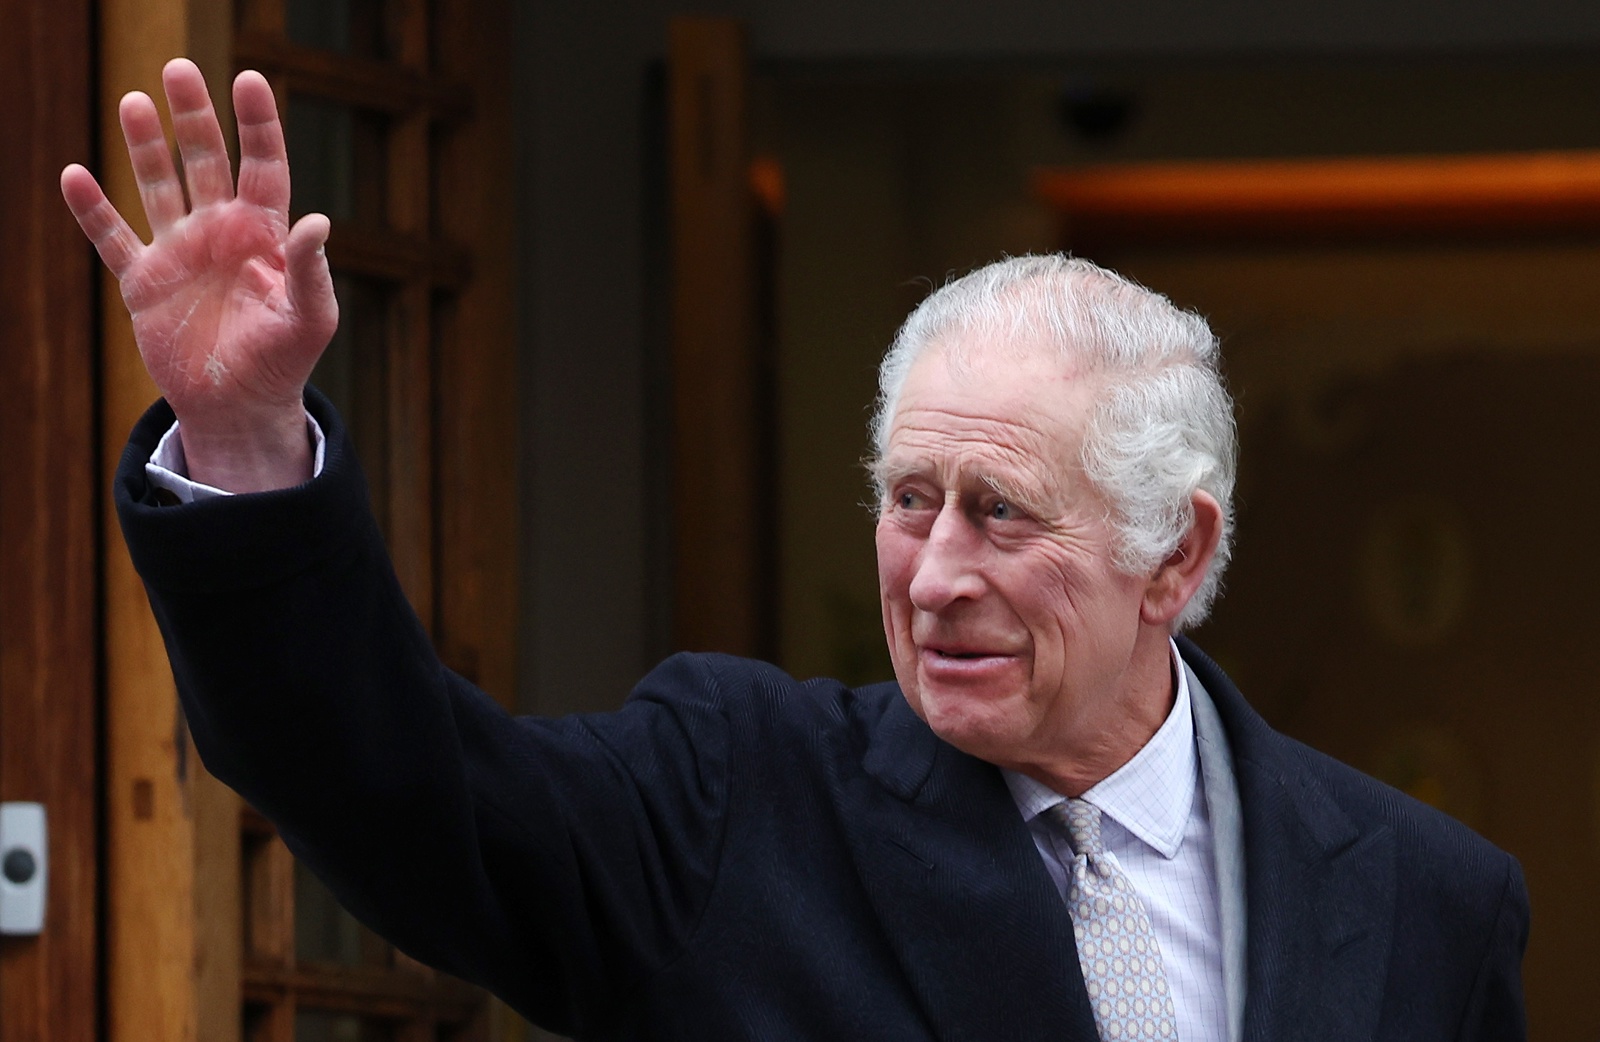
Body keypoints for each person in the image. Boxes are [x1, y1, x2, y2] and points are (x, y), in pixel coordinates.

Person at [65, 60, 1528, 1042]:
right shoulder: (735, 793)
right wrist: (250, 443)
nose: (935, 569)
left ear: (1170, 551)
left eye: (1000, 511)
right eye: (909, 500)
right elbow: (390, 787)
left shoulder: (1427, 899)